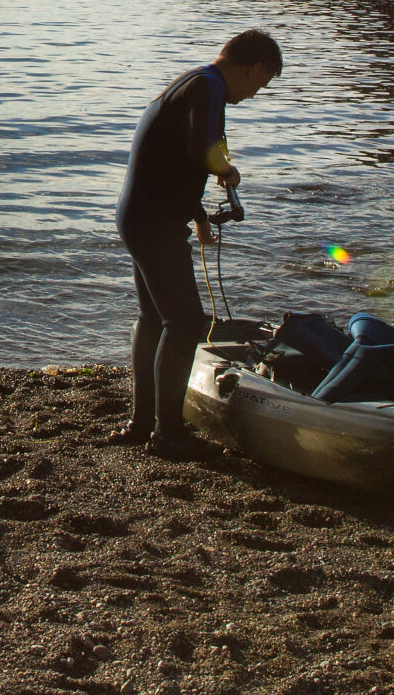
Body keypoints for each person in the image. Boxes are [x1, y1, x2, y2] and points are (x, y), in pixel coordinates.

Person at [110, 28, 281, 458]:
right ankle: (168, 435)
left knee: (154, 318)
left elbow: (179, 160)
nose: (254, 94)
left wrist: (201, 213)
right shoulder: (209, 89)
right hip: (154, 221)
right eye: (261, 84)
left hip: (139, 215)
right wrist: (225, 173)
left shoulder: (193, 82)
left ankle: (142, 424)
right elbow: (200, 150)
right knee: (185, 323)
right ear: (254, 68)